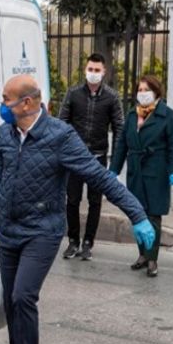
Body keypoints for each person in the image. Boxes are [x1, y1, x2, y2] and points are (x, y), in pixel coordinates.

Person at [0, 75, 155, 344]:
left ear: (27, 103)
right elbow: (0, 182)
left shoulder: (60, 136)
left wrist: (137, 213)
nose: (1, 106)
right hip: (10, 231)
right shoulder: (5, 133)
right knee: (10, 301)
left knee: (23, 296)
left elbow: (98, 176)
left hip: (43, 230)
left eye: (5, 99)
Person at [109, 76, 173, 277]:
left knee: (153, 216)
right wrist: (114, 168)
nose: (142, 93)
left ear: (156, 92)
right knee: (137, 214)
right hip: (136, 172)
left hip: (156, 172)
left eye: (146, 89)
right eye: (139, 89)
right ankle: (142, 254)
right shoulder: (132, 114)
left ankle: (152, 259)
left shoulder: (167, 115)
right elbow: (122, 143)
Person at [58, 53, 124, 260]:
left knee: (95, 201)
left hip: (98, 157)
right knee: (73, 200)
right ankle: (73, 241)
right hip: (75, 158)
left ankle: (88, 243)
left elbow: (119, 129)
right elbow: (62, 123)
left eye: (97, 70)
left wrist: (115, 162)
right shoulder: (73, 93)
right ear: (85, 70)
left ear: (104, 72)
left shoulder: (112, 97)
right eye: (90, 69)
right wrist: (65, 153)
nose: (93, 74)